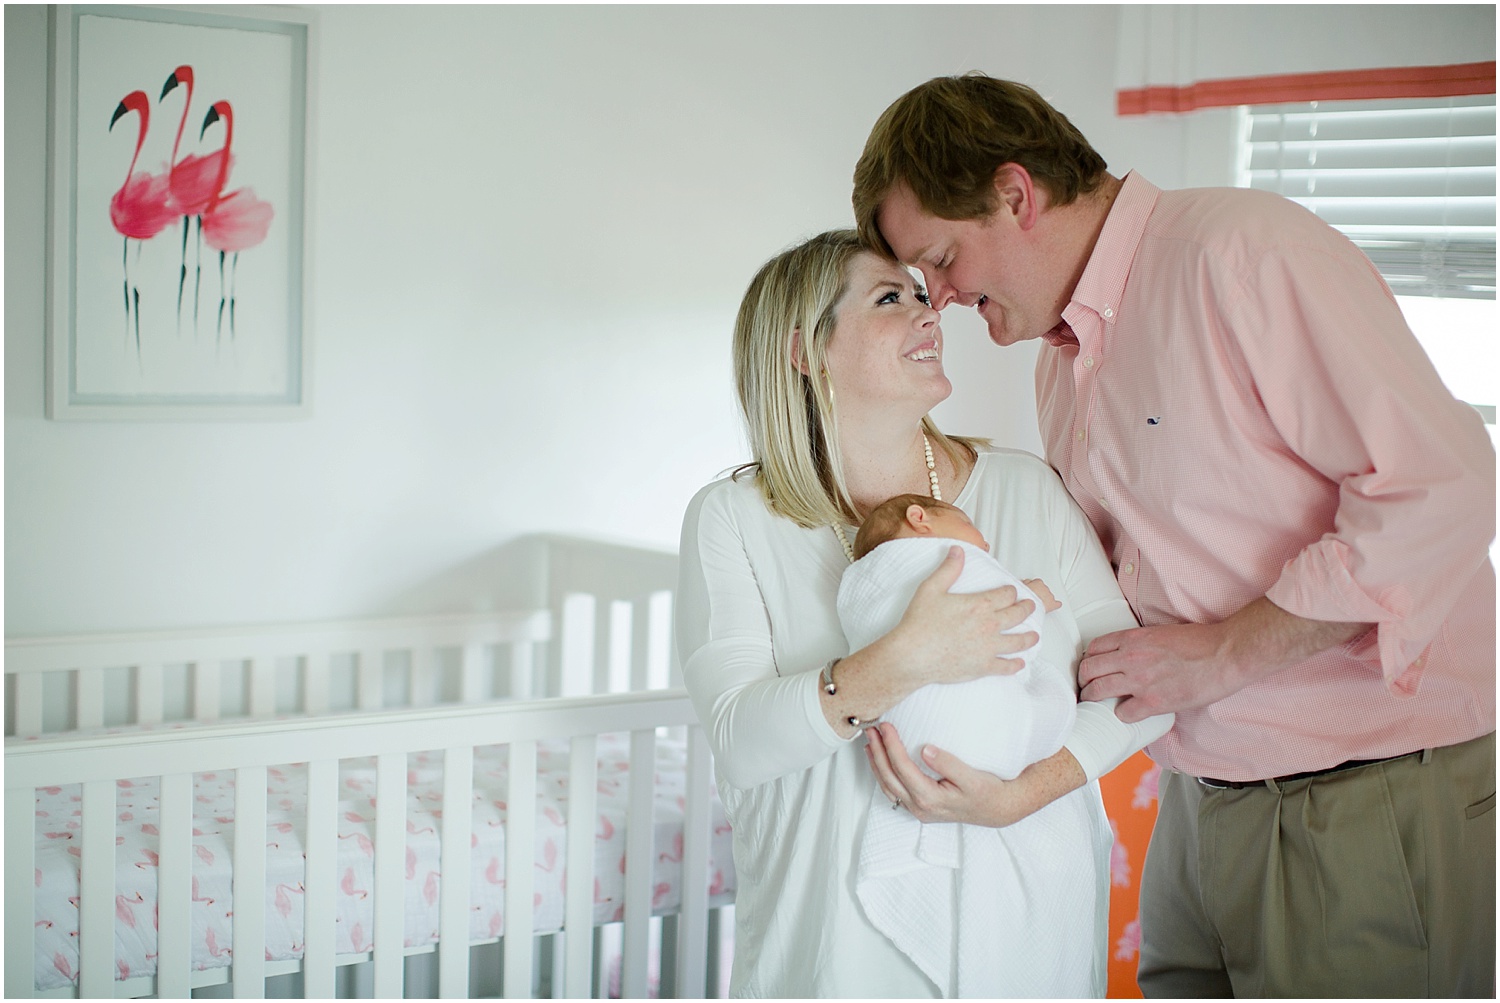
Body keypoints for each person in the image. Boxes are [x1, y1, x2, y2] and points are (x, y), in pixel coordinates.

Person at [852, 72, 1496, 998]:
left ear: (1015, 193)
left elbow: (1443, 487)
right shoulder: (1061, 366)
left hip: (1360, 795)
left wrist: (1227, 654)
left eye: (943, 259)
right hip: (1203, 802)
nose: (940, 298)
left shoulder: (1239, 256)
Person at [676, 228, 1173, 997]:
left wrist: (1022, 795)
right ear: (805, 351)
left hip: (1024, 925)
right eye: (889, 298)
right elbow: (742, 741)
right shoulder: (735, 518)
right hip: (834, 943)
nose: (929, 311)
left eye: (920, 292)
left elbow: (1139, 688)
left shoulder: (1022, 490)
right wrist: (904, 659)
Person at [840, 493, 1091, 995]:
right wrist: (1032, 597)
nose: (984, 542)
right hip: (989, 744)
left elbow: (863, 625)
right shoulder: (949, 562)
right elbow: (1009, 619)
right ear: (921, 519)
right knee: (1056, 698)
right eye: (971, 525)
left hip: (909, 752)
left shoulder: (856, 584)